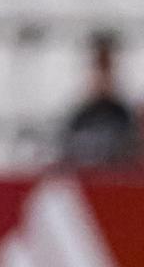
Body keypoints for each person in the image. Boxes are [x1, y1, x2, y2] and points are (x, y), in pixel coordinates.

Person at [58, 30, 139, 169]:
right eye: (98, 68)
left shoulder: (125, 115)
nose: (102, 76)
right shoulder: (79, 115)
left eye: (106, 67)